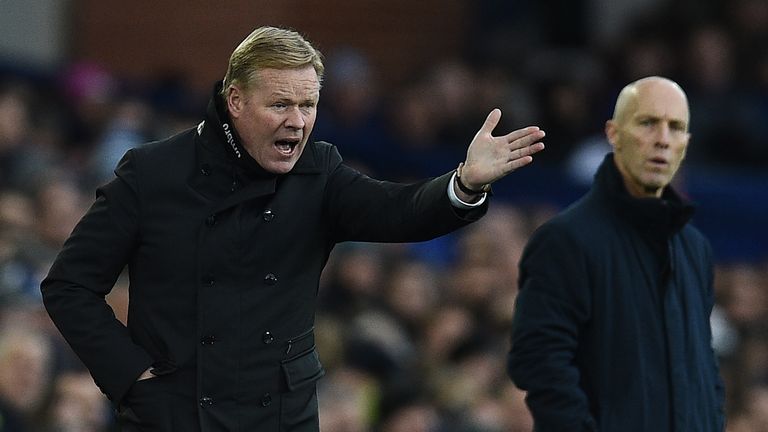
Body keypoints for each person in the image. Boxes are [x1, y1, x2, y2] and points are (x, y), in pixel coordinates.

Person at [41, 26, 545, 432]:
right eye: (281, 104)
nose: (298, 122)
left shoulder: (318, 171)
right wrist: (132, 377)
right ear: (235, 100)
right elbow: (69, 286)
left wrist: (463, 182)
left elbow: (400, 209)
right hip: (174, 414)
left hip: (280, 414)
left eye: (308, 105)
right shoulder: (152, 173)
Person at [507, 76, 725, 431]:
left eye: (676, 128)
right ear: (613, 133)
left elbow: (704, 366)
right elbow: (539, 361)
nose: (662, 140)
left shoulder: (695, 248)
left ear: (687, 143)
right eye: (648, 123)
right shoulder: (565, 239)